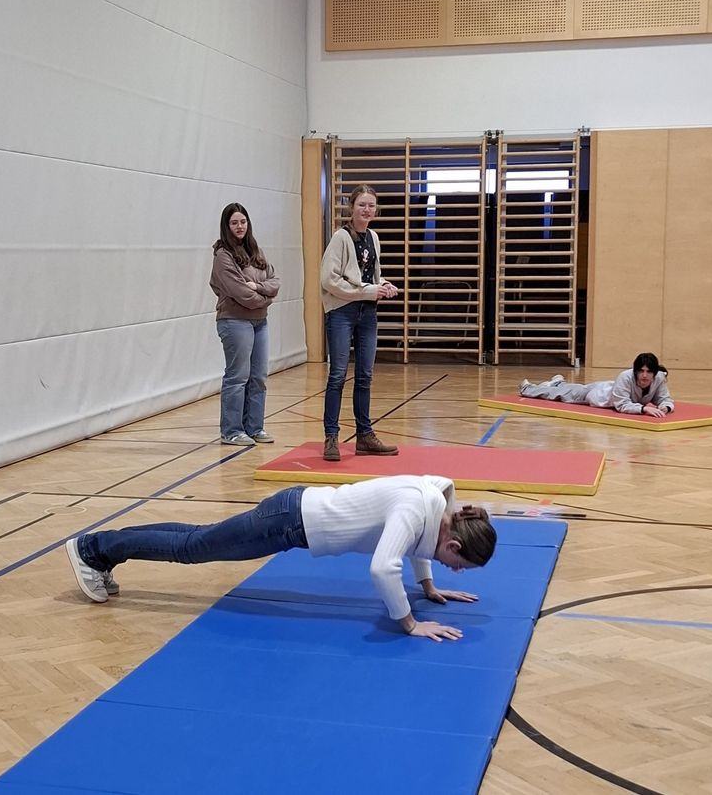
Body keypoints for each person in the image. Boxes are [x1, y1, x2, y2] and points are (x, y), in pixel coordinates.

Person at [65, 474, 497, 642]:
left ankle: (102, 549)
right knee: (192, 548)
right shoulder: (412, 509)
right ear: (455, 544)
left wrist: (428, 586)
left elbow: (417, 541)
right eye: (457, 564)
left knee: (196, 541)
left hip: (292, 516)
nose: (454, 569)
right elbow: (383, 567)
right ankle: (94, 549)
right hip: (286, 521)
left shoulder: (439, 502)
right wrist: (411, 623)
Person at [320, 185, 399, 462]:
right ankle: (331, 436)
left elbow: (371, 275)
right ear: (351, 207)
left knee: (365, 376)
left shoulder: (373, 237)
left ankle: (364, 435)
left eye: (371, 205)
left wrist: (384, 285)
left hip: (367, 313)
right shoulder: (341, 238)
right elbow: (329, 280)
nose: (366, 210)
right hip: (342, 311)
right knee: (338, 375)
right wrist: (367, 291)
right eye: (362, 205)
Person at [210, 203, 280, 445]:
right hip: (234, 321)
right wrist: (265, 297)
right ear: (226, 226)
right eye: (234, 223)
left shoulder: (255, 251)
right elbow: (241, 293)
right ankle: (231, 430)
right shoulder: (223, 256)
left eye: (243, 222)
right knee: (238, 376)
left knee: (258, 376)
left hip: (259, 322)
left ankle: (254, 427)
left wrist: (259, 288)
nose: (239, 227)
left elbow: (275, 281)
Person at [519, 352, 675, 417]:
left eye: (648, 372)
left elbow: (664, 398)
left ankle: (558, 382)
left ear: (654, 373)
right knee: (561, 396)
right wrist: (643, 409)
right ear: (635, 371)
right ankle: (528, 388)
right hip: (598, 396)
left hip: (606, 387)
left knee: (572, 389)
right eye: (641, 371)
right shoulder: (625, 377)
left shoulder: (659, 378)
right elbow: (621, 405)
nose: (644, 375)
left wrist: (666, 407)